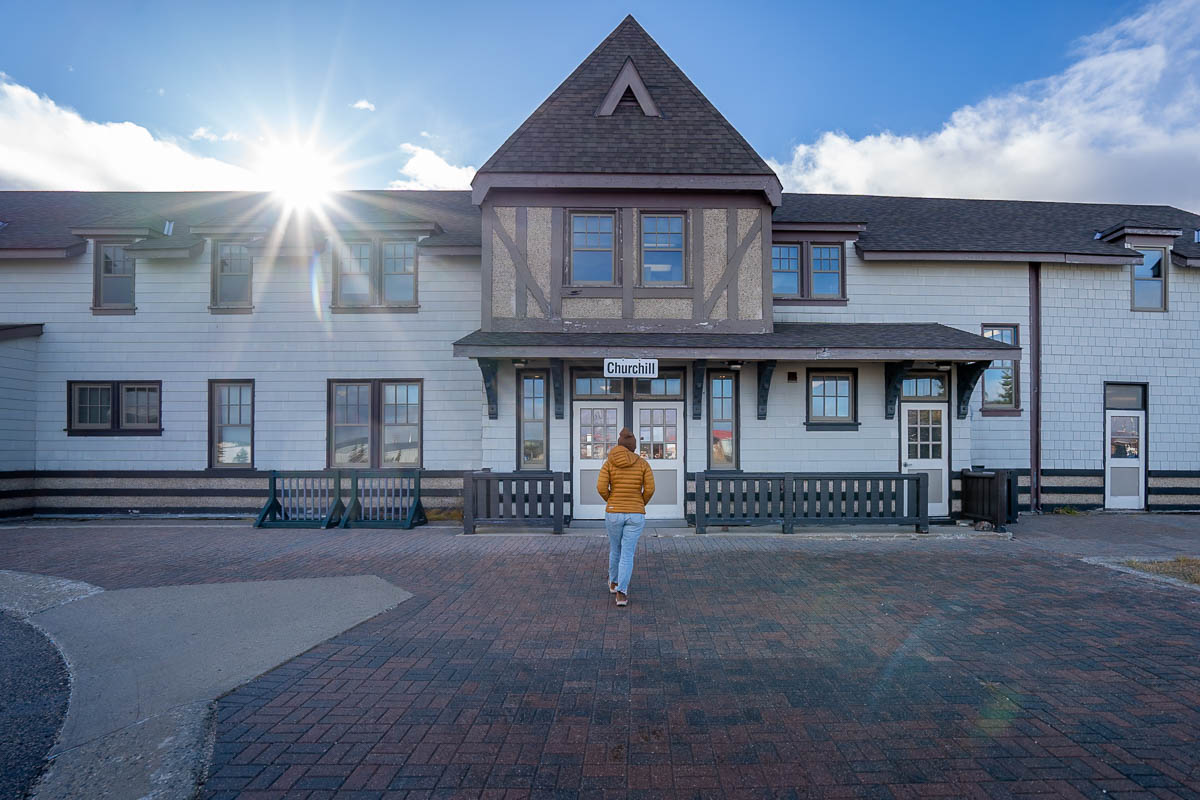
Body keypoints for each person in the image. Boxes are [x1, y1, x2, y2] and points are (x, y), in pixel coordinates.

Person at [597, 427, 655, 607]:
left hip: (613, 512)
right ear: (633, 447)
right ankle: (621, 594)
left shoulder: (608, 463)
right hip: (635, 514)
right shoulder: (643, 464)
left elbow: (601, 487)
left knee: (615, 549)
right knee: (627, 553)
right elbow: (650, 489)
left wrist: (612, 500)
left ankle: (613, 583)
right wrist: (639, 503)